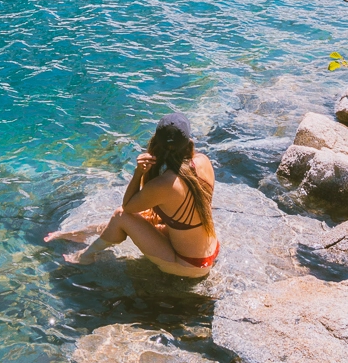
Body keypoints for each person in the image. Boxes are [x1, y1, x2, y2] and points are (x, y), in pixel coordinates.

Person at [44, 112, 219, 277]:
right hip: (210, 249)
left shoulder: (164, 184)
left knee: (121, 216)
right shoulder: (203, 161)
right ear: (189, 142)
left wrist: (138, 173)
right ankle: (81, 233)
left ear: (156, 142)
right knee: (144, 216)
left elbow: (127, 207)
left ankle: (86, 256)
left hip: (189, 265)